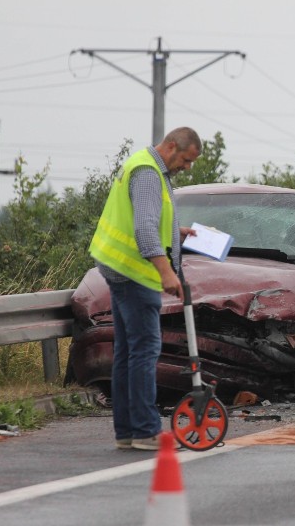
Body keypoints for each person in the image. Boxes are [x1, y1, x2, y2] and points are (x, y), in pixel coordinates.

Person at [89, 127, 202, 449]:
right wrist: (167, 273)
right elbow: (143, 229)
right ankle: (144, 430)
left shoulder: (145, 165)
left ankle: (128, 431)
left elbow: (148, 219)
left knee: (128, 351)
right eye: (186, 159)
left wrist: (173, 231)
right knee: (144, 350)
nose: (187, 167)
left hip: (119, 268)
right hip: (134, 273)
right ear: (170, 146)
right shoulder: (149, 173)